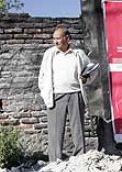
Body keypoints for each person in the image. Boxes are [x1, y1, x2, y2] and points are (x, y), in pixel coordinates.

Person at [38, 24, 96, 162]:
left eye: (58, 38)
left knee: (78, 129)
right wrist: (45, 93)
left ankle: (80, 158)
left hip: (75, 94)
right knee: (55, 131)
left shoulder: (78, 54)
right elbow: (42, 76)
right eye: (54, 39)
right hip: (56, 95)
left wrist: (87, 78)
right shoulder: (49, 54)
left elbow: (92, 69)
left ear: (67, 38)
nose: (55, 41)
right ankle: (55, 160)